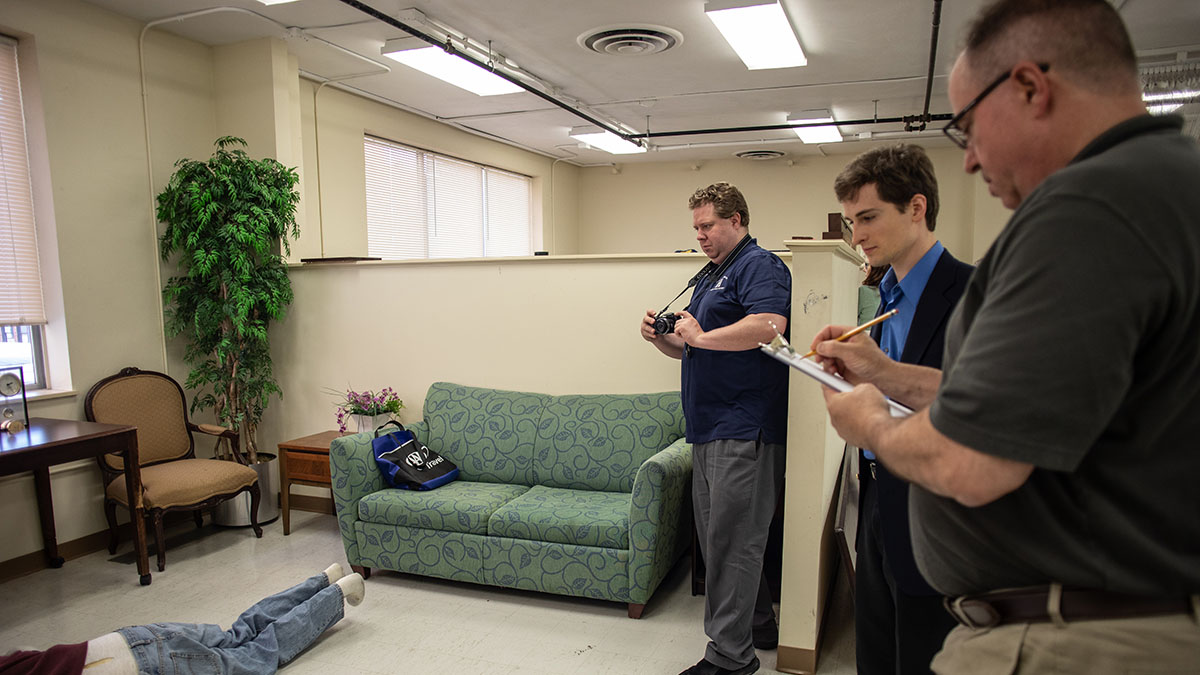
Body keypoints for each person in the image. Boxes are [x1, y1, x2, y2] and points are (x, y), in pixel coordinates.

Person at [809, 0, 1200, 673]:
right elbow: (1013, 399)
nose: (967, 161)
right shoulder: (1161, 185)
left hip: (1071, 634)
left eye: (968, 126)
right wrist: (883, 373)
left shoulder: (1088, 206)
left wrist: (870, 422)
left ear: (1029, 87)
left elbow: (971, 457)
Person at [641, 182, 791, 675]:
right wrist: (662, 338)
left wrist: (700, 336)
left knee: (733, 542)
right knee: (723, 540)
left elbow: (770, 325)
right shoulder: (710, 276)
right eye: (696, 227)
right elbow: (696, 349)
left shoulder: (759, 265)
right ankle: (760, 626)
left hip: (744, 426)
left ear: (737, 220)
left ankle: (730, 659)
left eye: (707, 225)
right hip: (707, 426)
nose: (700, 235)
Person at [833, 144, 971, 675]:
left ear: (917, 208)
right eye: (851, 221)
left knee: (921, 652)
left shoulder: (973, 293)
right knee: (875, 644)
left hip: (937, 508)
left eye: (868, 217)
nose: (858, 235)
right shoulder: (883, 299)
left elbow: (977, 404)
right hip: (875, 493)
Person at [0, 564, 365, 674]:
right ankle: (324, 579)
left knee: (255, 655)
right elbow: (26, 651)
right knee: (237, 633)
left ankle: (338, 590)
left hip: (143, 665)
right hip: (130, 639)